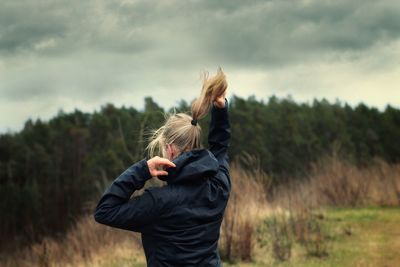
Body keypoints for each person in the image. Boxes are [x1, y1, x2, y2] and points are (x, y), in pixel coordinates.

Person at [94, 68, 231, 266]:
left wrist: (142, 170)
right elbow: (220, 149)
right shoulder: (218, 187)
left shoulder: (158, 201)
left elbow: (105, 211)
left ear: (170, 150)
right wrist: (221, 110)